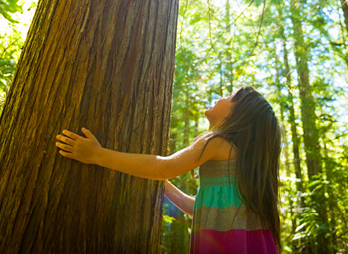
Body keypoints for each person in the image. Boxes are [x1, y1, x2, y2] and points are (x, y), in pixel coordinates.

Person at [55, 86, 281, 253]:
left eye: (230, 97)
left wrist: (97, 154)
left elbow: (163, 167)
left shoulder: (216, 142)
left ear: (238, 115)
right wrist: (165, 188)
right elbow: (202, 209)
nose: (221, 96)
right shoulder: (242, 169)